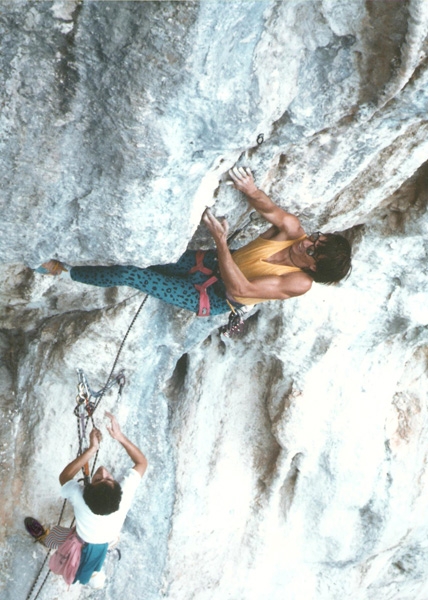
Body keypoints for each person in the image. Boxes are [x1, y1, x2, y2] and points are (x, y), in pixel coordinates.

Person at [38, 168, 351, 317]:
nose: (304, 242)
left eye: (311, 249)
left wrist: (221, 242)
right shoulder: (293, 231)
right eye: (314, 237)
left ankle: (62, 271)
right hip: (210, 263)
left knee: (130, 275)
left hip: (214, 297)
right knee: (140, 253)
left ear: (312, 265)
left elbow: (240, 290)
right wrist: (250, 189)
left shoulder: (299, 282)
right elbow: (271, 210)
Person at [26, 412, 147, 588]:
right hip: (106, 540)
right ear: (118, 493)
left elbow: (65, 476)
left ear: (85, 489)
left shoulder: (80, 496)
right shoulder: (123, 495)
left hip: (83, 538)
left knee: (55, 537)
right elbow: (142, 463)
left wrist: (92, 449)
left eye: (100, 479)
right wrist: (119, 436)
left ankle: (45, 538)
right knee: (103, 542)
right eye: (109, 478)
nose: (104, 472)